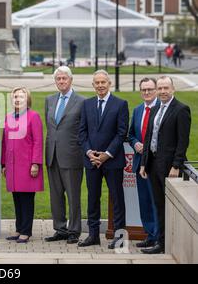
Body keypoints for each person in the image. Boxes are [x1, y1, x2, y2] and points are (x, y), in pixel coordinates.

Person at [140, 76, 191, 254]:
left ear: (173, 89)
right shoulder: (155, 109)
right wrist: (143, 163)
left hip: (169, 167)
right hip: (153, 165)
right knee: (159, 205)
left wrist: (176, 165)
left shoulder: (181, 110)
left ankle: (169, 243)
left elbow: (183, 141)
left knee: (170, 207)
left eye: (165, 88)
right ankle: (161, 242)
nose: (162, 91)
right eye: (160, 88)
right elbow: (148, 139)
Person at [78, 70, 129, 249]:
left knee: (116, 198)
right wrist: (89, 152)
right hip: (91, 160)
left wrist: (107, 154)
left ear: (109, 84)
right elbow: (82, 131)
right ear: (93, 85)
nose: (100, 85)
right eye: (97, 82)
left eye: (103, 82)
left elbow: (122, 132)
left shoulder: (120, 104)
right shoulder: (86, 104)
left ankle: (120, 237)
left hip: (113, 160)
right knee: (93, 198)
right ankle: (93, 235)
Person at [44, 66, 85, 244]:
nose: (61, 81)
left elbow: (84, 130)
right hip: (52, 155)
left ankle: (74, 230)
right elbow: (51, 128)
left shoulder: (82, 101)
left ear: (71, 80)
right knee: (56, 195)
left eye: (64, 78)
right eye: (58, 79)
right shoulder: (50, 100)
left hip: (72, 155)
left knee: (73, 195)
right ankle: (60, 229)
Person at [2, 87, 44, 243]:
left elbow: (38, 141)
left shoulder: (34, 117)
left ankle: (26, 231)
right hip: (12, 166)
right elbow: (4, 142)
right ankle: (19, 228)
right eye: (15, 97)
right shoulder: (8, 117)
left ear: (28, 99)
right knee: (17, 198)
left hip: (27, 165)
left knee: (26, 199)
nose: (17, 99)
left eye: (21, 96)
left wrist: (35, 163)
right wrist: (3, 164)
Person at [128, 78, 160, 250]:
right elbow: (130, 134)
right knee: (144, 201)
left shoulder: (161, 110)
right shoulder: (138, 109)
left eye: (150, 89)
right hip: (139, 163)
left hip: (155, 165)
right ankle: (149, 234)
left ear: (155, 90)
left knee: (156, 201)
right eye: (143, 90)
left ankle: (158, 237)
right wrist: (135, 144)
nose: (146, 93)